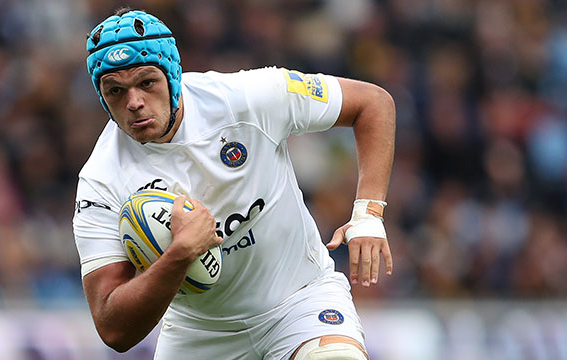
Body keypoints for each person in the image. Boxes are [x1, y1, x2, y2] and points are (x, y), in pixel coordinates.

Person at [73, 7, 395, 360]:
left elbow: (373, 103)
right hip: (200, 333)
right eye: (115, 91)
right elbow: (113, 328)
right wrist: (180, 255)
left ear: (172, 75)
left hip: (300, 301)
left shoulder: (246, 97)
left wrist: (369, 213)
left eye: (147, 82)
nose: (134, 102)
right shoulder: (100, 182)